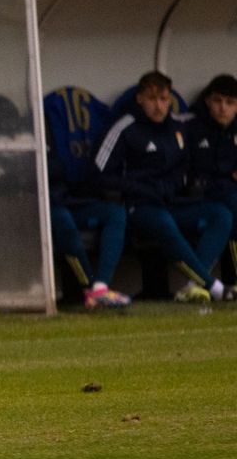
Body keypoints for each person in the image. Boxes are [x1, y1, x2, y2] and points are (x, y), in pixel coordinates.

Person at [95, 71, 233, 303]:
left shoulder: (178, 128)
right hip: (139, 206)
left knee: (220, 214)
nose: (158, 106)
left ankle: (192, 285)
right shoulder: (125, 128)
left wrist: (178, 186)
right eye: (152, 99)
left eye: (164, 99)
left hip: (171, 202)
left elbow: (186, 165)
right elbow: (98, 174)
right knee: (163, 223)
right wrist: (139, 188)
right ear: (140, 99)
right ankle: (212, 286)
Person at [42, 87, 130, 309]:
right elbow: (42, 171)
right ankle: (88, 288)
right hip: (44, 204)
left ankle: (100, 287)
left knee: (114, 212)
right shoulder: (34, 129)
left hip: (74, 199)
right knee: (62, 220)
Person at [186, 73, 237, 291]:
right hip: (198, 194)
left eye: (230, 103)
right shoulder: (190, 126)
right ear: (208, 101)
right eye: (218, 101)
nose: (223, 108)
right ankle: (214, 280)